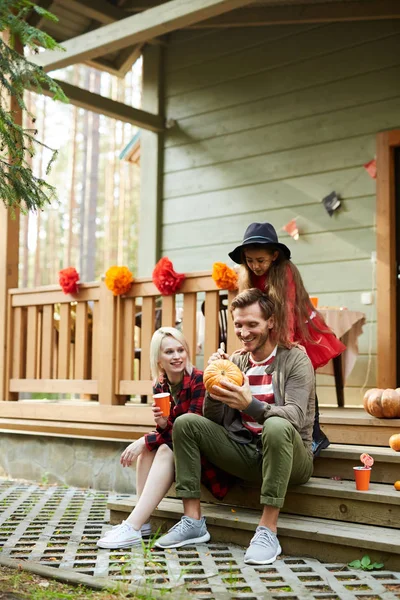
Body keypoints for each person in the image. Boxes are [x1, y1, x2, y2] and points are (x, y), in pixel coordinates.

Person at [155, 288, 315, 565]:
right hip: (245, 451)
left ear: (271, 322)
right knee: (186, 423)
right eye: (239, 325)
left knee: (277, 425)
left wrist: (250, 405)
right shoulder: (237, 361)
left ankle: (267, 530)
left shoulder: (295, 359)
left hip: (291, 458)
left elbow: (296, 416)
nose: (243, 332)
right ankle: (192, 520)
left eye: (252, 324)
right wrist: (214, 383)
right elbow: (214, 419)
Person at [228, 221, 345, 456]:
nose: (255, 265)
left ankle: (314, 435)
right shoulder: (249, 275)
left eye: (260, 260)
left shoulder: (285, 272)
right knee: (287, 382)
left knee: (302, 376)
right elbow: (249, 313)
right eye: (250, 260)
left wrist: (285, 344)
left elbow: (286, 309)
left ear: (274, 255)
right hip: (274, 327)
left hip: (296, 327)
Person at [97, 327, 205, 549]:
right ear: (158, 359)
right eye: (169, 352)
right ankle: (142, 522)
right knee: (150, 450)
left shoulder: (198, 381)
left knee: (162, 449)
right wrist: (161, 427)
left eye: (180, 350)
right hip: (181, 446)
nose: (177, 357)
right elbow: (168, 433)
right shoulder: (160, 385)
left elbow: (190, 431)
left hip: (204, 455)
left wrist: (146, 438)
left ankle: (132, 526)